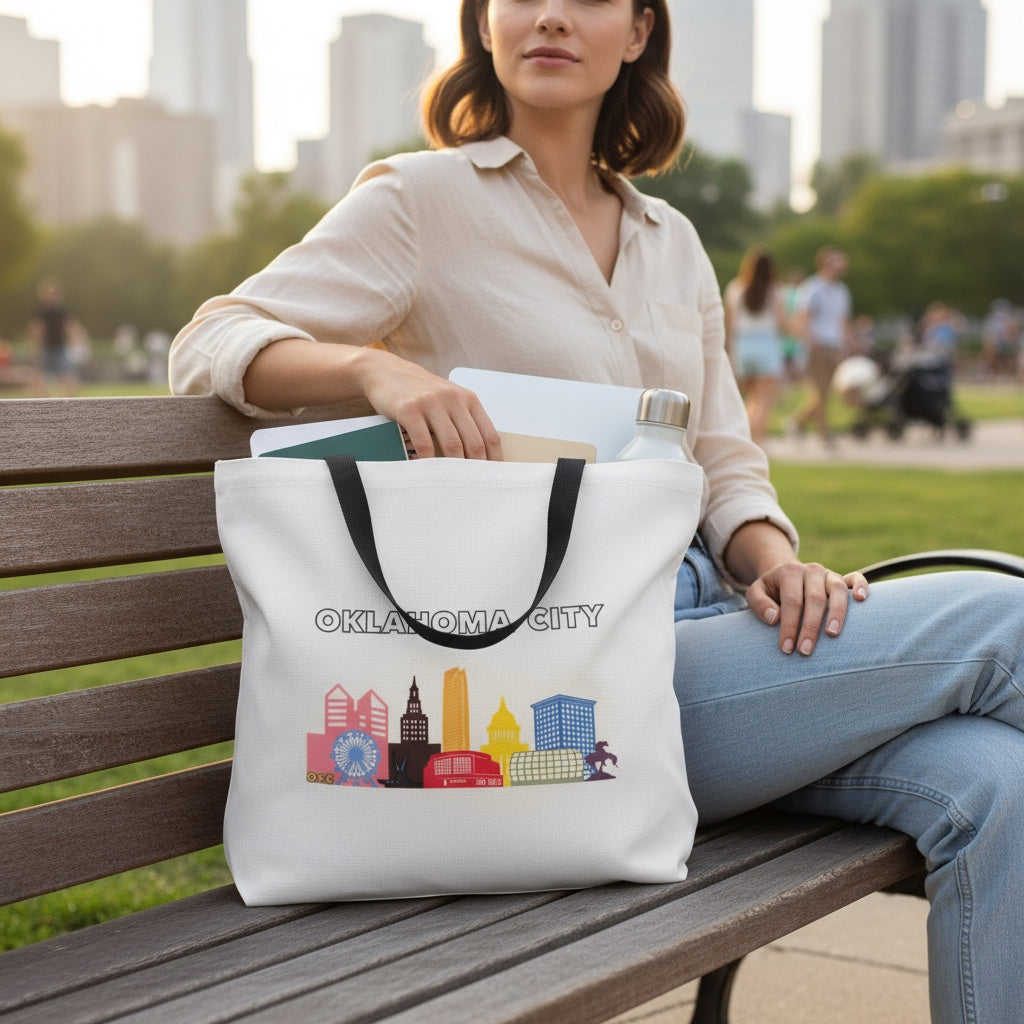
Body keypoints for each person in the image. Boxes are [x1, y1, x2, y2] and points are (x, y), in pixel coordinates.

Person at [170, 3, 1024, 1020]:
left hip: (714, 650)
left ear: (636, 32)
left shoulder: (673, 241)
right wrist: (374, 368)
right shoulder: (419, 200)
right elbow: (209, 341)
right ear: (483, 29)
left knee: (994, 778)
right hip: (564, 680)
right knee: (1001, 618)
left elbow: (719, 457)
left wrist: (770, 557)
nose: (549, 15)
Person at [723, 248, 788, 446]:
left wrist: (730, 353)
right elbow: (782, 322)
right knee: (764, 398)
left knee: (752, 397)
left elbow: (729, 324)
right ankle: (758, 440)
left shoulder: (736, 288)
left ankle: (745, 437)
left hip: (743, 345)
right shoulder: (774, 289)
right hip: (765, 343)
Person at [790, 245, 852, 447]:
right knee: (820, 391)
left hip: (833, 345)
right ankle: (825, 435)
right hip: (817, 345)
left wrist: (845, 342)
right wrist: (811, 339)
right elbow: (803, 317)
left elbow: (842, 320)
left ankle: (797, 422)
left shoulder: (842, 291)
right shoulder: (812, 288)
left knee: (825, 392)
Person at [27, 277, 86, 396]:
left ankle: (71, 400)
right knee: (39, 375)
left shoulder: (62, 310)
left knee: (67, 374)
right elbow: (37, 328)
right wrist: (35, 345)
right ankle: (40, 400)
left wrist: (77, 339)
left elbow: (70, 326)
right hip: (46, 347)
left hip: (59, 347)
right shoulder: (43, 311)